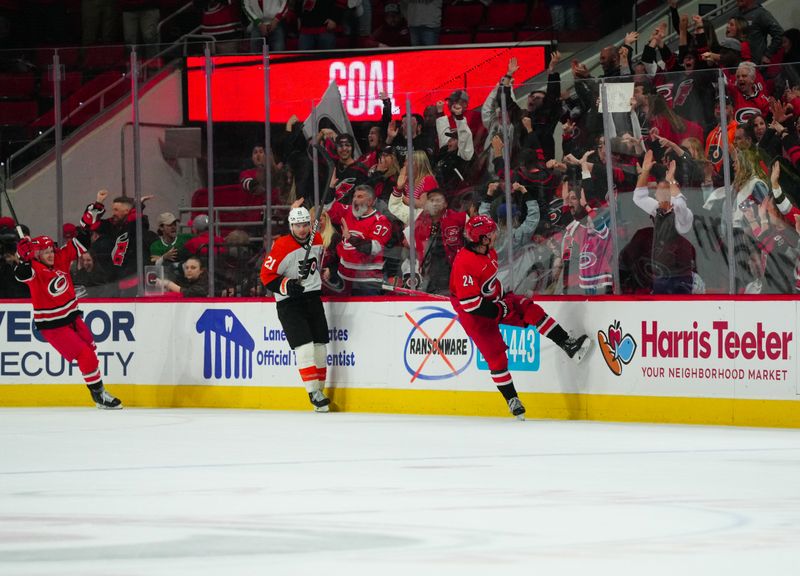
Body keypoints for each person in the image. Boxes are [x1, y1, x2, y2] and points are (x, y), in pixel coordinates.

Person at [449, 215, 592, 420]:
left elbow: (489, 285)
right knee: (496, 357)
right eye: (490, 233)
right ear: (481, 238)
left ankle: (568, 344)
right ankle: (512, 400)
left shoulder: (488, 252)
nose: (495, 235)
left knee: (529, 308)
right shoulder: (465, 262)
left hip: (495, 302)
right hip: (475, 315)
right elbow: (472, 305)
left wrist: (502, 300)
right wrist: (501, 310)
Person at [13, 201, 123, 410]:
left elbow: (80, 240)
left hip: (73, 317)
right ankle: (99, 395)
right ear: (35, 254)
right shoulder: (34, 270)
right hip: (53, 326)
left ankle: (98, 391)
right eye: (44, 250)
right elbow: (21, 274)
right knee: (85, 354)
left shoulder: (61, 258)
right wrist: (23, 259)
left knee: (90, 349)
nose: (50, 253)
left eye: (51, 248)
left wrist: (89, 216)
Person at [259, 203, 331, 412]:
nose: (302, 229)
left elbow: (315, 264)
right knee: (305, 346)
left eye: (305, 225)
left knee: (320, 346)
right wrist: (287, 285)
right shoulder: (281, 245)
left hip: (312, 298)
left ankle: (320, 390)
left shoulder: (316, 239)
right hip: (289, 303)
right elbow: (266, 276)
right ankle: (313, 392)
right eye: (297, 225)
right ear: (291, 226)